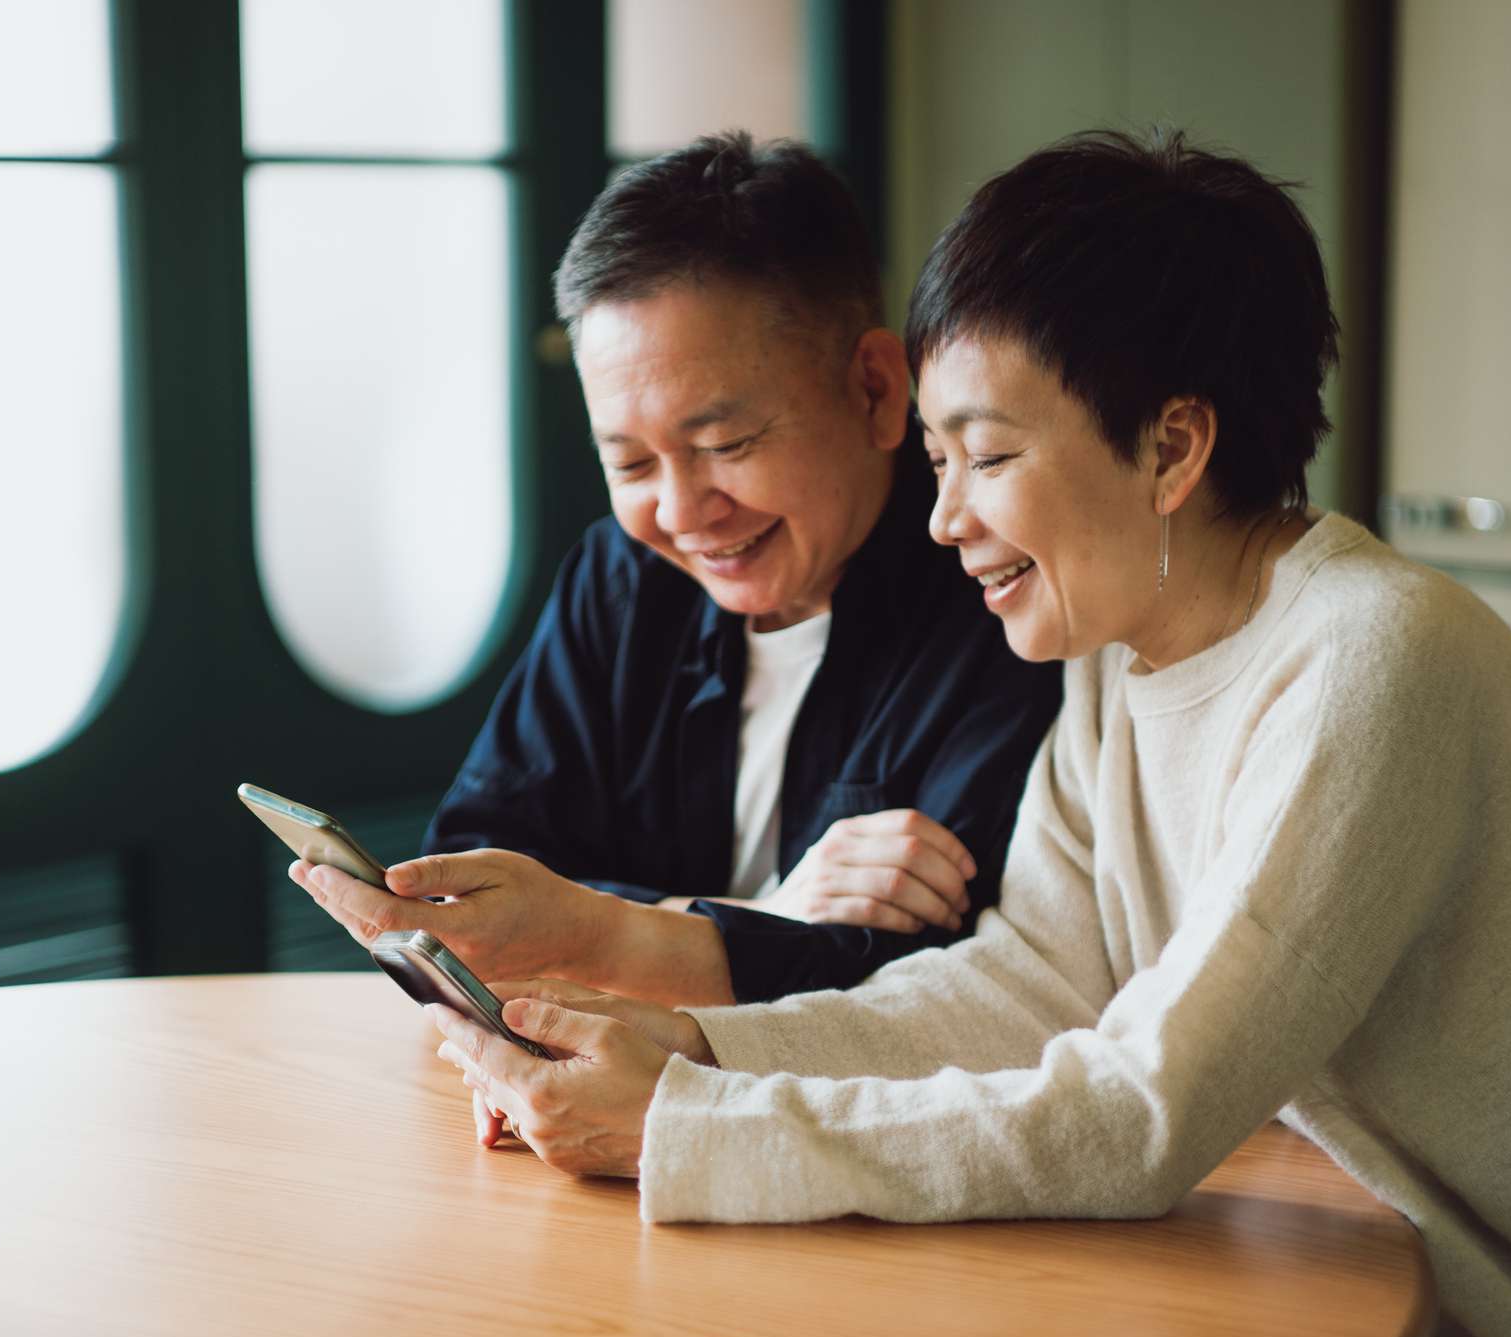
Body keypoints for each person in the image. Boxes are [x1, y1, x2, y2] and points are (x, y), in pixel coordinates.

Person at [334, 131, 1511, 1337]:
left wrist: (697, 1126)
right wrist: (690, 1050)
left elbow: (1142, 1112)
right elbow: (1025, 987)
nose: (945, 520)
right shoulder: (1122, 663)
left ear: (1173, 446)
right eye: (939, 459)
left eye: (988, 456)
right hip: (1396, 1304)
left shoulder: (1373, 662)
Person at [296, 133, 1062, 1006]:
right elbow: (469, 902)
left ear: (878, 390)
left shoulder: (1005, 597)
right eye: (629, 465)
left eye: (725, 444)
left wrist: (604, 933)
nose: (682, 513)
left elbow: (945, 987)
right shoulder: (621, 580)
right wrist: (748, 917)